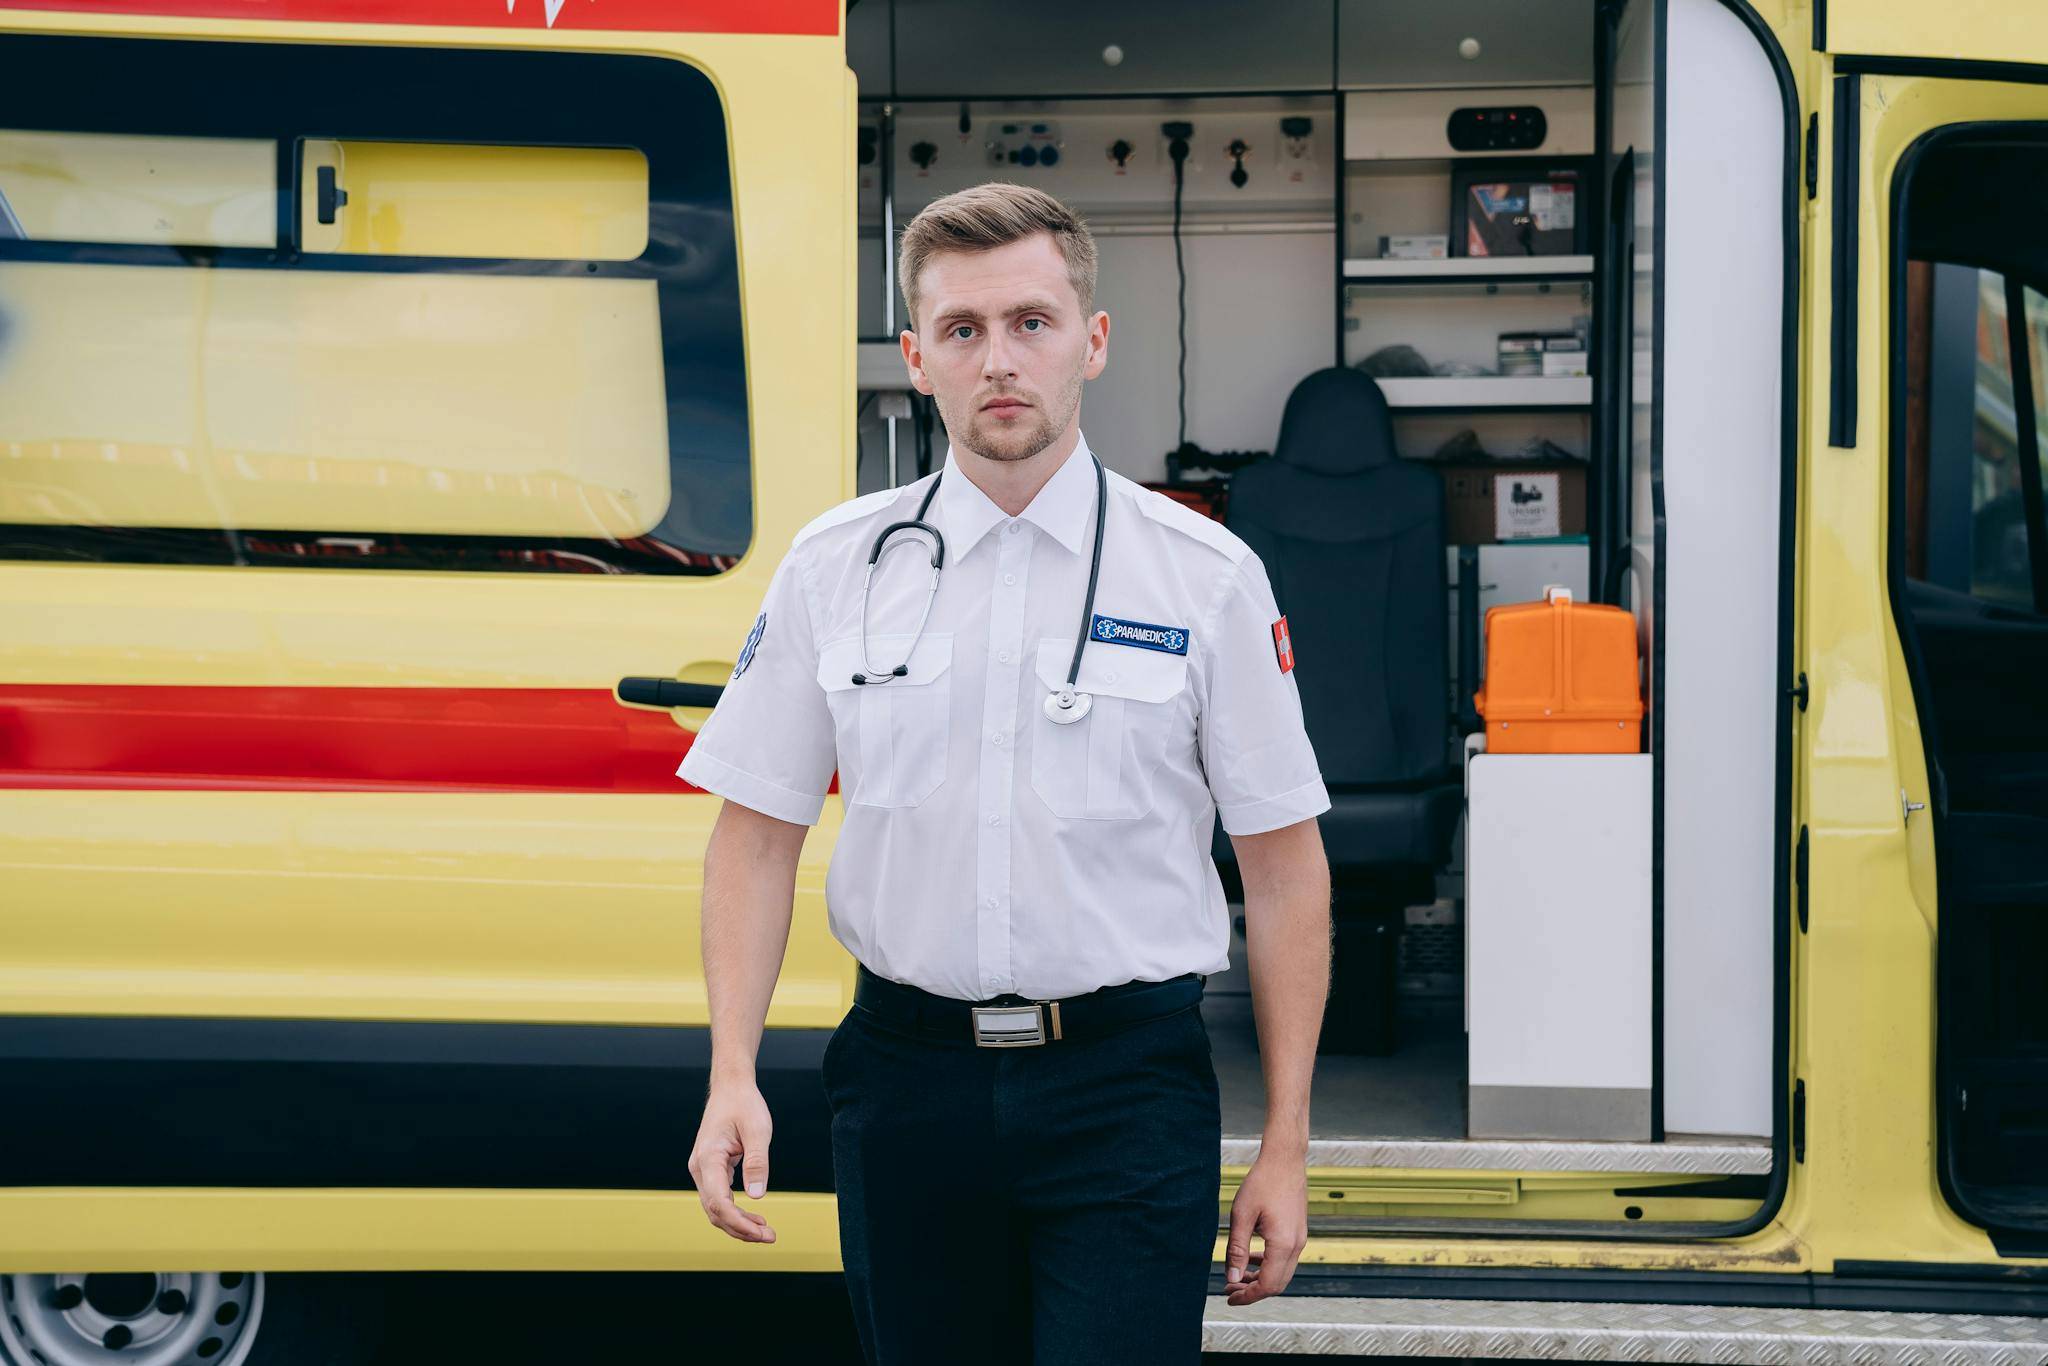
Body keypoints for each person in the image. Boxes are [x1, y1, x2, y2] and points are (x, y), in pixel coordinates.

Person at [680, 181, 1333, 1365]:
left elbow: (1283, 872)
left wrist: (1284, 1141)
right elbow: (755, 834)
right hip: (904, 1086)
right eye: (961, 330)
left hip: (1125, 1092)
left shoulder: (1204, 576)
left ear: (1090, 339)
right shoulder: (837, 567)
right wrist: (732, 1070)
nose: (998, 360)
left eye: (1030, 322)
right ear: (915, 357)